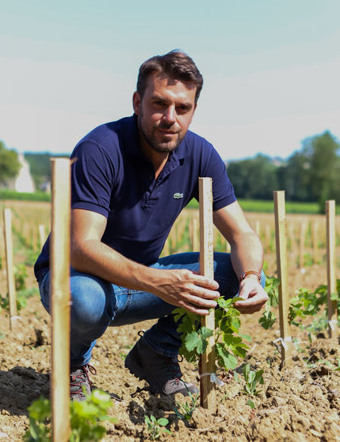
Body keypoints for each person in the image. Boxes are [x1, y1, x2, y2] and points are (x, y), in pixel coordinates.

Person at [34, 49, 268, 401]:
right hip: (78, 278)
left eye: (182, 108)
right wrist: (160, 282)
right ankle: (73, 365)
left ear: (193, 111)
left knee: (238, 273)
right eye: (159, 104)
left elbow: (242, 234)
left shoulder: (200, 154)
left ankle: (156, 353)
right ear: (137, 102)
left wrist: (250, 277)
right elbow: (81, 247)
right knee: (82, 300)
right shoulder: (101, 148)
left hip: (141, 280)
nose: (170, 118)